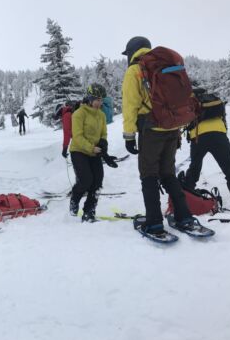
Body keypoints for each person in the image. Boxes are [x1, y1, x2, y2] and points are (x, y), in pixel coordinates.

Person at [121, 36, 201, 235]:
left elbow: (130, 105)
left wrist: (129, 136)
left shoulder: (135, 70)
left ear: (132, 51)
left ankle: (154, 222)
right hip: (172, 126)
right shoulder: (166, 64)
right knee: (168, 174)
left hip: (151, 128)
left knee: (148, 175)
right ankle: (184, 217)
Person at [182, 88, 230, 206]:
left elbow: (186, 122)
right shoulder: (214, 101)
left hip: (199, 137)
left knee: (195, 166)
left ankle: (188, 193)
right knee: (229, 166)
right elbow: (224, 118)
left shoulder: (191, 104)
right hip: (219, 135)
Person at [69, 90, 118, 222]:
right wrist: (91, 148)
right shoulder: (79, 113)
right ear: (90, 100)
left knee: (97, 182)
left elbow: (103, 133)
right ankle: (74, 199)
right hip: (79, 151)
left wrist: (103, 143)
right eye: (97, 100)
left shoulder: (101, 115)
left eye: (101, 100)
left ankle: (89, 212)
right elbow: (77, 136)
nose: (100, 103)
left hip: (94, 152)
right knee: (86, 180)